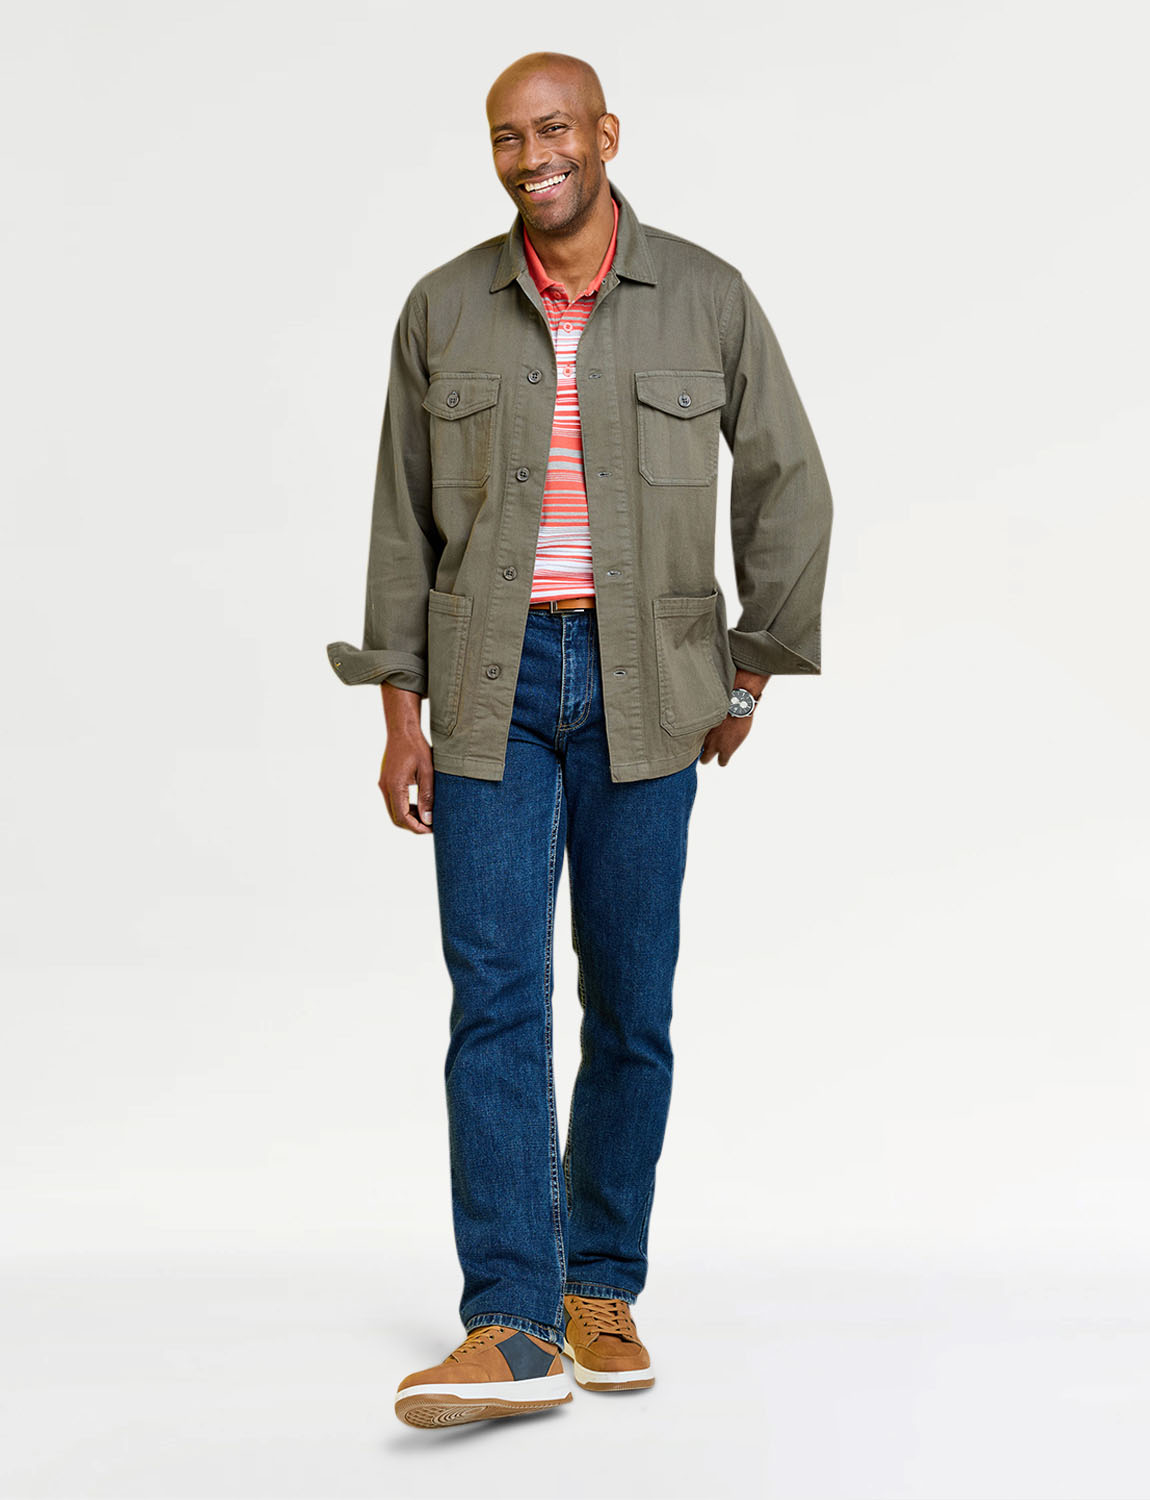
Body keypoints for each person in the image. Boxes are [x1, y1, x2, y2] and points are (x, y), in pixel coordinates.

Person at [326, 50, 833, 1430]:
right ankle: (509, 1319)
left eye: (553, 129)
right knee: (494, 1002)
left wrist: (749, 671)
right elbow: (399, 517)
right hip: (485, 687)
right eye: (506, 138)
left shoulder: (707, 296)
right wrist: (397, 711)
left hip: (650, 687)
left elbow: (789, 481)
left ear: (606, 133)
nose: (530, 157)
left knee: (630, 1002)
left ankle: (599, 1284)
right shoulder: (442, 307)